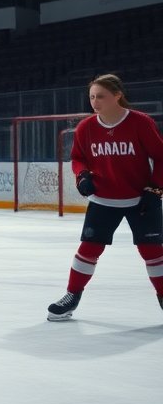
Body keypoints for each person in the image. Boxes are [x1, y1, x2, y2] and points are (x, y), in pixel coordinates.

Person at [46, 74, 163, 321]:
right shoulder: (86, 127)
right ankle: (71, 295)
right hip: (103, 200)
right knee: (88, 249)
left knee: (152, 252)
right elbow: (78, 158)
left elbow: (161, 156)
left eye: (101, 96)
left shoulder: (140, 122)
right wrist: (82, 176)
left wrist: (156, 188)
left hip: (141, 200)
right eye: (92, 97)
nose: (95, 102)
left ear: (117, 95)